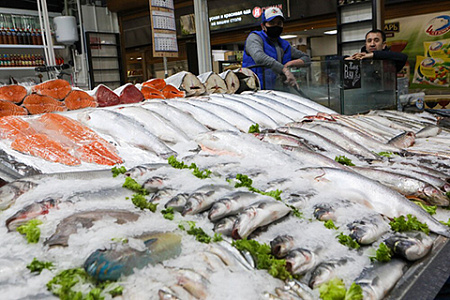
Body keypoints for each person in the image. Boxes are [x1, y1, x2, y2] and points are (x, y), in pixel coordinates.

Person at [242, 7, 310, 90]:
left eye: (279, 23)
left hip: (278, 91)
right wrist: (284, 70)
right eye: (271, 23)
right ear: (263, 26)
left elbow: (307, 59)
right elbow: (259, 57)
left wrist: (289, 64)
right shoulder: (255, 38)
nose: (276, 26)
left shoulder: (284, 45)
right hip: (255, 90)